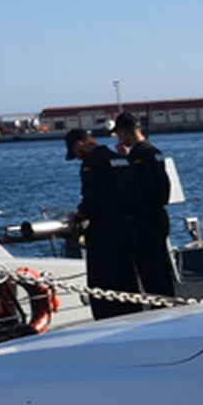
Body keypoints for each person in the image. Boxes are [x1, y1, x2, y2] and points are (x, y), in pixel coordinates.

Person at [65, 127, 142, 319]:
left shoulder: (92, 163)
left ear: (80, 144)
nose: (78, 157)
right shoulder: (119, 159)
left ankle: (106, 316)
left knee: (103, 278)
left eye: (75, 152)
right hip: (128, 224)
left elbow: (93, 197)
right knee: (126, 273)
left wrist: (79, 215)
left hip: (105, 227)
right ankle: (133, 312)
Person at [114, 112, 177, 299]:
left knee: (149, 266)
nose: (118, 137)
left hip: (145, 218)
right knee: (161, 262)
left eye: (118, 133)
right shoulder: (154, 151)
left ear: (125, 131)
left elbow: (139, 188)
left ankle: (159, 302)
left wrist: (127, 163)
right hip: (159, 214)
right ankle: (168, 298)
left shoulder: (139, 155)